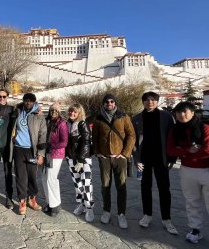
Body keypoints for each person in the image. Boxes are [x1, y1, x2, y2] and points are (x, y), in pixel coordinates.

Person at [132, 91, 178, 234]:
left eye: (153, 100)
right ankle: (147, 215)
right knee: (145, 187)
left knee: (164, 188)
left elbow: (172, 138)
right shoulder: (137, 118)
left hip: (162, 158)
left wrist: (172, 158)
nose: (150, 102)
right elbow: (133, 141)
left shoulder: (166, 117)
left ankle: (166, 218)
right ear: (143, 102)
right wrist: (136, 159)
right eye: (146, 100)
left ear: (157, 101)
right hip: (144, 159)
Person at [167, 102, 209, 244]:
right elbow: (170, 149)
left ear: (192, 112)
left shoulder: (204, 128)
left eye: (184, 111)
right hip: (187, 170)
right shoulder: (175, 130)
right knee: (192, 201)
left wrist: (184, 152)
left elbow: (208, 149)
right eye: (178, 112)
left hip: (206, 170)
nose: (181, 115)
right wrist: (188, 151)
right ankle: (195, 230)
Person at [92, 93, 135, 229]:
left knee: (121, 186)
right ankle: (106, 211)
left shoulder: (123, 117)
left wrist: (125, 154)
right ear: (103, 104)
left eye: (111, 102)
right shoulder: (98, 118)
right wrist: (98, 152)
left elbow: (131, 135)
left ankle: (121, 214)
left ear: (115, 103)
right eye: (107, 102)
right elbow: (95, 137)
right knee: (105, 186)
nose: (109, 104)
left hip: (119, 158)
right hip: (104, 158)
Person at [10, 93, 47, 215]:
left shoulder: (39, 116)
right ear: (23, 101)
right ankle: (22, 201)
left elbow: (43, 136)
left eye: (31, 101)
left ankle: (32, 199)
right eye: (26, 100)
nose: (28, 103)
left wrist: (41, 154)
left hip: (32, 150)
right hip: (18, 149)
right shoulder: (18, 111)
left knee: (32, 176)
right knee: (20, 176)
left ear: (35, 102)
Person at [65, 103, 94, 222]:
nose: (72, 113)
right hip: (71, 158)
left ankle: (89, 208)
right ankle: (81, 204)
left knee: (86, 184)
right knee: (77, 184)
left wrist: (81, 160)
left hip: (83, 160)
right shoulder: (67, 124)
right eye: (71, 111)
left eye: (75, 112)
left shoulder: (82, 124)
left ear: (79, 113)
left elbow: (86, 142)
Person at [42, 102, 68, 217]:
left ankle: (55, 205)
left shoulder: (61, 124)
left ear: (59, 112)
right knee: (44, 178)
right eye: (52, 110)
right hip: (46, 153)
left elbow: (64, 142)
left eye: (56, 111)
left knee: (51, 179)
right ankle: (49, 202)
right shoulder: (47, 121)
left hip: (56, 155)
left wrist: (49, 145)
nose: (53, 113)